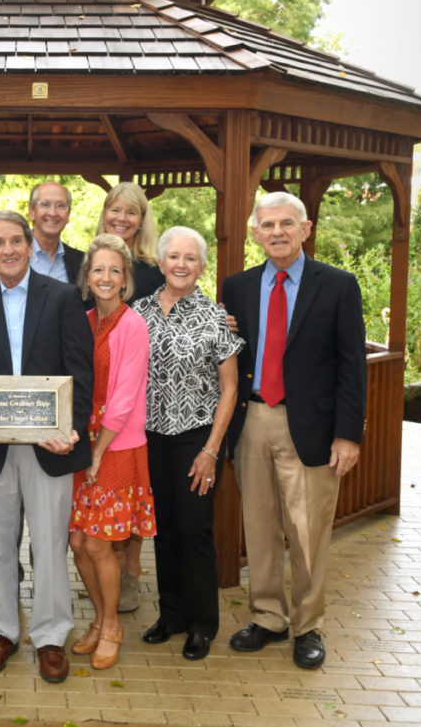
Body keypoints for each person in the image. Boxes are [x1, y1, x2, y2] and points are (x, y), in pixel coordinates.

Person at [221, 191, 366, 670]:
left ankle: (308, 625)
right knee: (259, 527)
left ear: (306, 229)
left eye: (287, 223)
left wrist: (348, 434)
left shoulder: (339, 285)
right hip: (252, 420)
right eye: (267, 225)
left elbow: (352, 364)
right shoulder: (237, 287)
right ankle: (268, 617)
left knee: (308, 532)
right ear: (255, 233)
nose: (277, 232)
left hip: (313, 428)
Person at [0, 211, 93, 684]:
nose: (9, 249)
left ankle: (51, 637)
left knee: (51, 543)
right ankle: (1, 633)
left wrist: (71, 429)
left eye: (17, 241)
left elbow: (81, 369)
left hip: (49, 446)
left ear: (30, 246)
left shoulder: (64, 297)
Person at [133, 226, 243, 660]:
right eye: (173, 257)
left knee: (194, 530)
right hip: (149, 440)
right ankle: (171, 614)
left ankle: (202, 623)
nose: (180, 264)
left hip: (196, 439)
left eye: (190, 258)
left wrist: (211, 450)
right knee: (163, 531)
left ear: (201, 266)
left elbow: (230, 389)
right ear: (160, 264)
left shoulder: (216, 317)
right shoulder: (137, 312)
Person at [68, 234, 155, 671]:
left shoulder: (132, 325)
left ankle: (111, 626)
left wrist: (98, 451)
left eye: (114, 271)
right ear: (87, 277)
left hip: (116, 447)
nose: (105, 277)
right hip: (82, 445)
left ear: (125, 281)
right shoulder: (84, 321)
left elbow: (122, 399)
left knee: (100, 544)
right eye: (98, 269)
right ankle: (99, 622)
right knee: (78, 542)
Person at [94, 180, 163, 612]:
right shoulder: (96, 260)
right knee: (107, 497)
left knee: (132, 493)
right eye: (114, 211)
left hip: (146, 397)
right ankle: (108, 572)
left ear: (142, 220)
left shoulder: (155, 268)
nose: (121, 219)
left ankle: (131, 573)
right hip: (106, 392)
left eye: (130, 212)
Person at [28, 181, 84, 283]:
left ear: (68, 215)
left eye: (60, 206)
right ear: (31, 212)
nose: (53, 213)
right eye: (45, 204)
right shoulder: (12, 255)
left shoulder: (81, 262)